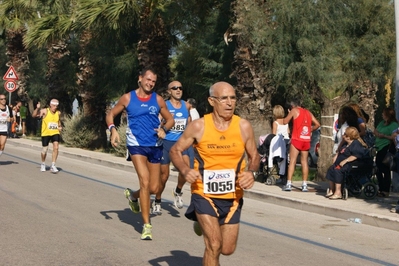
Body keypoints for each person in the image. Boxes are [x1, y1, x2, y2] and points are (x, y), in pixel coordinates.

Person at [170, 81, 260, 265]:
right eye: (224, 98)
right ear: (212, 101)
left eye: (233, 98)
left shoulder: (243, 126)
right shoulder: (199, 126)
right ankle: (204, 221)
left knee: (227, 249)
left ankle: (201, 225)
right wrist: (185, 170)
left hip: (233, 195)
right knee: (214, 244)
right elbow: (175, 151)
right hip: (204, 192)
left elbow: (254, 155)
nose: (229, 103)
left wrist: (251, 172)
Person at [105, 67, 174, 240]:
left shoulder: (157, 99)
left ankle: (133, 196)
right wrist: (113, 130)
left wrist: (164, 129)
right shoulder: (128, 98)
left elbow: (170, 119)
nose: (150, 83)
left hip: (155, 145)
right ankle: (146, 225)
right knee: (144, 181)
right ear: (140, 78)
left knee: (154, 187)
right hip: (136, 144)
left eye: (153, 81)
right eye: (148, 79)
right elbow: (111, 114)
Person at [152, 81, 191, 214]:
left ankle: (178, 191)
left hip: (180, 144)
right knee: (164, 176)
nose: (178, 90)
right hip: (166, 143)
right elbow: (157, 123)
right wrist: (165, 122)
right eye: (175, 88)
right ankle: (157, 200)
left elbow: (189, 124)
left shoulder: (186, 106)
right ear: (169, 91)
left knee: (186, 170)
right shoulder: (165, 106)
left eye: (180, 88)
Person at [282, 99, 320, 192]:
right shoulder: (308, 112)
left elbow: (285, 121)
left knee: (293, 161)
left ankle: (289, 183)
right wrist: (310, 130)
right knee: (304, 162)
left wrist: (289, 113)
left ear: (292, 106)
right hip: (306, 139)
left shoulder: (294, 111)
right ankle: (304, 184)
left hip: (296, 138)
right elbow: (317, 124)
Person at [326, 127, 368, 199]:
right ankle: (331, 189)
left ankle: (338, 192)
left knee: (337, 171)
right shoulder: (345, 143)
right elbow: (340, 151)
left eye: (345, 134)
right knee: (331, 169)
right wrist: (336, 156)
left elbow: (356, 156)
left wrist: (345, 160)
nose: (343, 135)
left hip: (351, 165)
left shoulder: (355, 144)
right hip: (340, 163)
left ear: (349, 136)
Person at [32, 99, 62, 173]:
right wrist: (37, 108)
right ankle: (43, 163)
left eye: (56, 106)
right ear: (50, 105)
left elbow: (58, 122)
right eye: (54, 106)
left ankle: (53, 165)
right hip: (46, 133)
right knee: (44, 150)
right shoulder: (45, 111)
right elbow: (34, 115)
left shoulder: (58, 113)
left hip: (55, 132)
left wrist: (60, 127)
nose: (55, 107)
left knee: (56, 147)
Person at [374, 107, 398, 198]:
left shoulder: (394, 125)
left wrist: (383, 136)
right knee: (377, 167)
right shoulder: (381, 123)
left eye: (384, 113)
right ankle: (380, 187)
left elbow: (394, 137)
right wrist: (377, 134)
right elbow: (375, 130)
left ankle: (385, 190)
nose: (382, 115)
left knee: (385, 168)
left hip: (386, 147)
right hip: (378, 147)